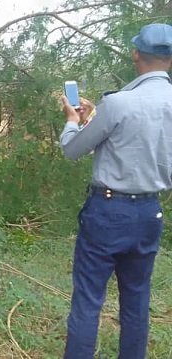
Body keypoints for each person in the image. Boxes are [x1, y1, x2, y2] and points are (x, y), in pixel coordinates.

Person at [59, 23, 172, 358]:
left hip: (108, 213)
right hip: (150, 213)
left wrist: (73, 120)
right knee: (137, 302)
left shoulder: (119, 103)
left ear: (136, 53)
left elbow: (72, 149)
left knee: (88, 300)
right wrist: (98, 117)